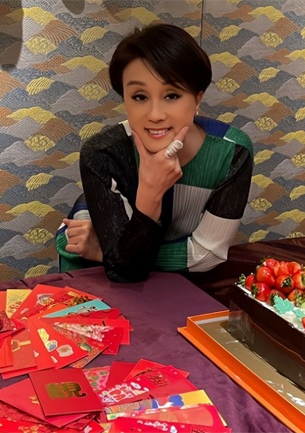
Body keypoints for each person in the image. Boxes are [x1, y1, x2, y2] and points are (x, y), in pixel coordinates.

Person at [55, 22, 253, 283]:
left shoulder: (232, 152)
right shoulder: (102, 153)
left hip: (124, 260)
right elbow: (123, 271)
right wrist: (150, 192)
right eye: (139, 97)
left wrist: (107, 253)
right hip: (94, 263)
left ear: (197, 98)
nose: (155, 115)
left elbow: (207, 255)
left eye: (172, 95)